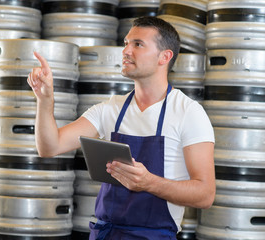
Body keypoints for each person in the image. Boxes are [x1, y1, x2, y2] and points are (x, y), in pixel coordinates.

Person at [27, 16, 215, 240]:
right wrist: (45, 100)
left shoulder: (188, 113)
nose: (126, 51)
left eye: (138, 44)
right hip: (106, 233)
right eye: (126, 43)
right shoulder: (111, 108)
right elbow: (50, 146)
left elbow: (205, 195)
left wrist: (149, 182)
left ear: (164, 57)